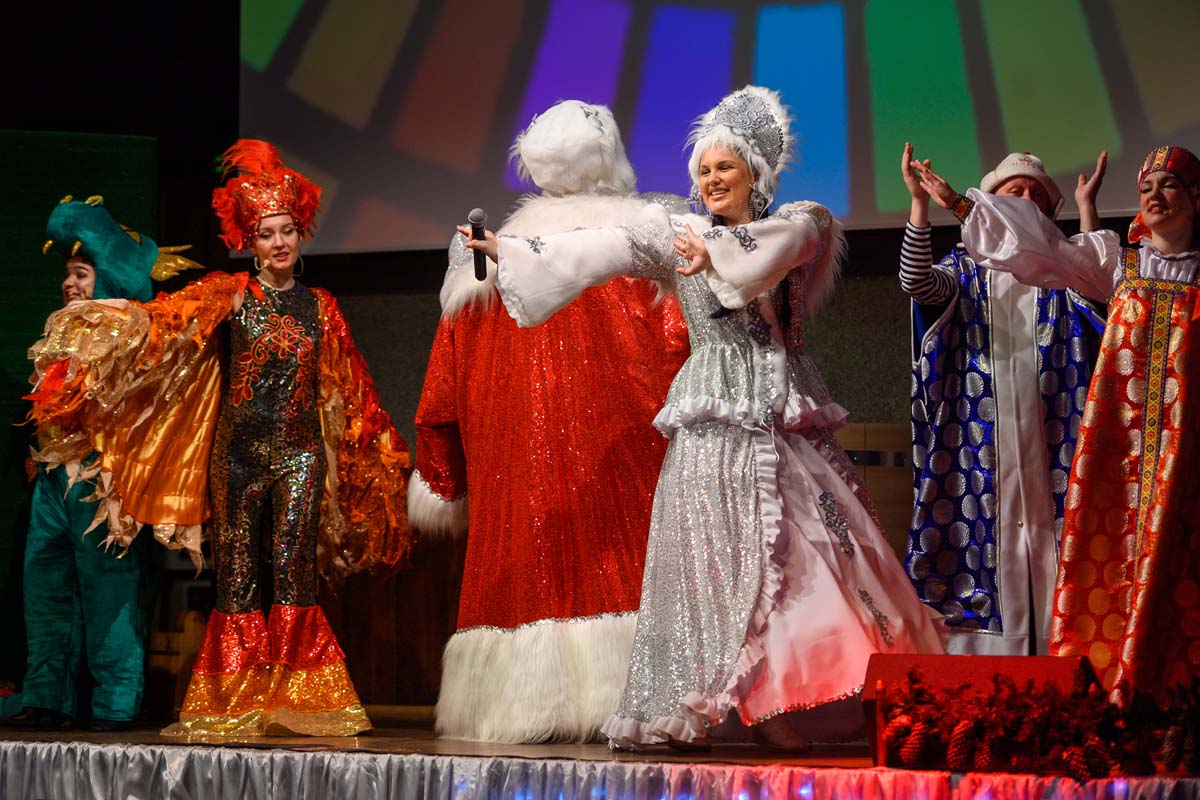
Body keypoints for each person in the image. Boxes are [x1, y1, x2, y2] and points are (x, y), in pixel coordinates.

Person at [464, 86, 945, 750]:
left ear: (756, 173)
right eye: (704, 169)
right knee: (707, 561)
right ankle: (696, 703)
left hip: (781, 416)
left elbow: (772, 248)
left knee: (802, 554)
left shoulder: (802, 221)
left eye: (725, 167)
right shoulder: (678, 233)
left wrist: (714, 250)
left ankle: (789, 700)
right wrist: (511, 249)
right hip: (711, 413)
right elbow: (604, 246)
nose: (711, 179)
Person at [26, 141, 413, 736]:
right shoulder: (230, 294)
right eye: (266, 234)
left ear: (300, 233)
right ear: (250, 242)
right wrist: (104, 322)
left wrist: (381, 456)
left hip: (300, 456)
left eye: (287, 231)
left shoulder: (321, 306)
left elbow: (351, 385)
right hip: (236, 459)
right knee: (236, 574)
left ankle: (304, 698)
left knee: (293, 570)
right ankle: (233, 700)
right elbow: (161, 325)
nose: (279, 243)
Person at [412, 101, 689, 743]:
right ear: (609, 157)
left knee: (525, 569)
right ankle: (638, 700)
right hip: (631, 470)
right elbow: (686, 350)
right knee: (630, 565)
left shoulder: (484, 263)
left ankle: (519, 703)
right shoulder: (648, 247)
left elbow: (440, 399)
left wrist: (442, 479)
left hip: (519, 497)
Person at [911, 144, 1200, 697]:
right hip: (1124, 450)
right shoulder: (1120, 263)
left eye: (1169, 185)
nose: (1155, 196)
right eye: (1146, 187)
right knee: (1119, 554)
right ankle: (1115, 679)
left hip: (1184, 444)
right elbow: (1047, 249)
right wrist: (951, 203)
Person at [1, 196, 198, 730]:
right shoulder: (60, 330)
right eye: (67, 274)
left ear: (105, 278)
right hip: (54, 479)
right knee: (45, 584)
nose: (70, 283)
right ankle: (47, 695)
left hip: (101, 477)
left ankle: (115, 702)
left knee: (108, 588)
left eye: (81, 274)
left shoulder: (127, 328)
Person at [899, 147, 1105, 655]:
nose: (1027, 198)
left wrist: (1086, 211)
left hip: (1054, 431)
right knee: (982, 532)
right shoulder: (965, 270)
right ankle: (986, 650)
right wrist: (920, 206)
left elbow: (1101, 286)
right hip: (979, 437)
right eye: (1015, 190)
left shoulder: (1063, 273)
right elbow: (917, 282)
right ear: (990, 202)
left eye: (1037, 194)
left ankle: (1064, 643)